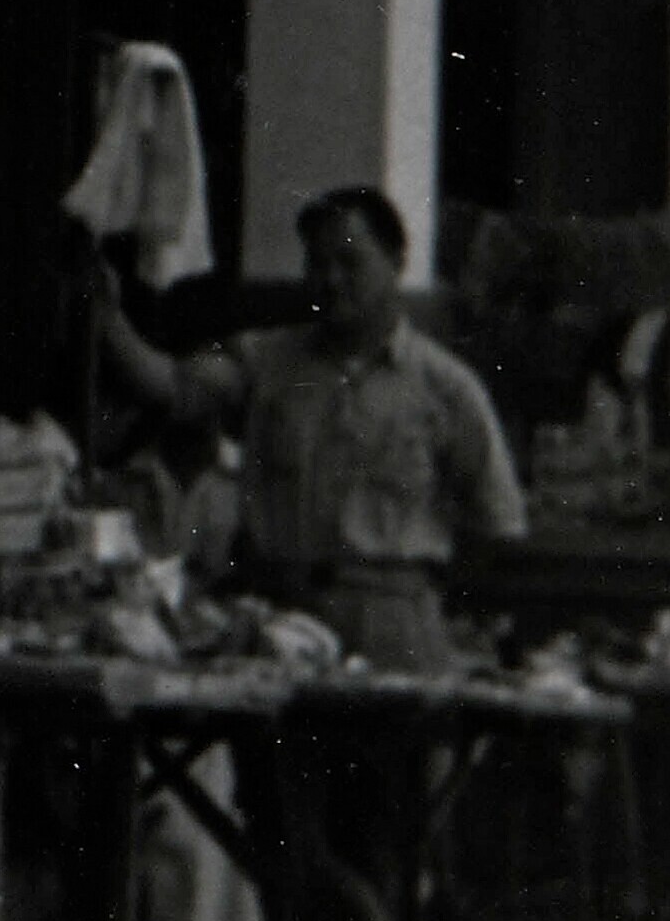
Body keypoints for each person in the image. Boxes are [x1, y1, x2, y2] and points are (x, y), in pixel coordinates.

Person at [88, 185, 526, 672]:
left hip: (394, 624)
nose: (331, 280)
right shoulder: (266, 362)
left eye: (350, 262)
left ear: (397, 262)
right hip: (285, 618)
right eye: (317, 264)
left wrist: (424, 598)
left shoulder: (447, 388)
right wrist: (109, 318)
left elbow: (498, 524)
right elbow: (173, 386)